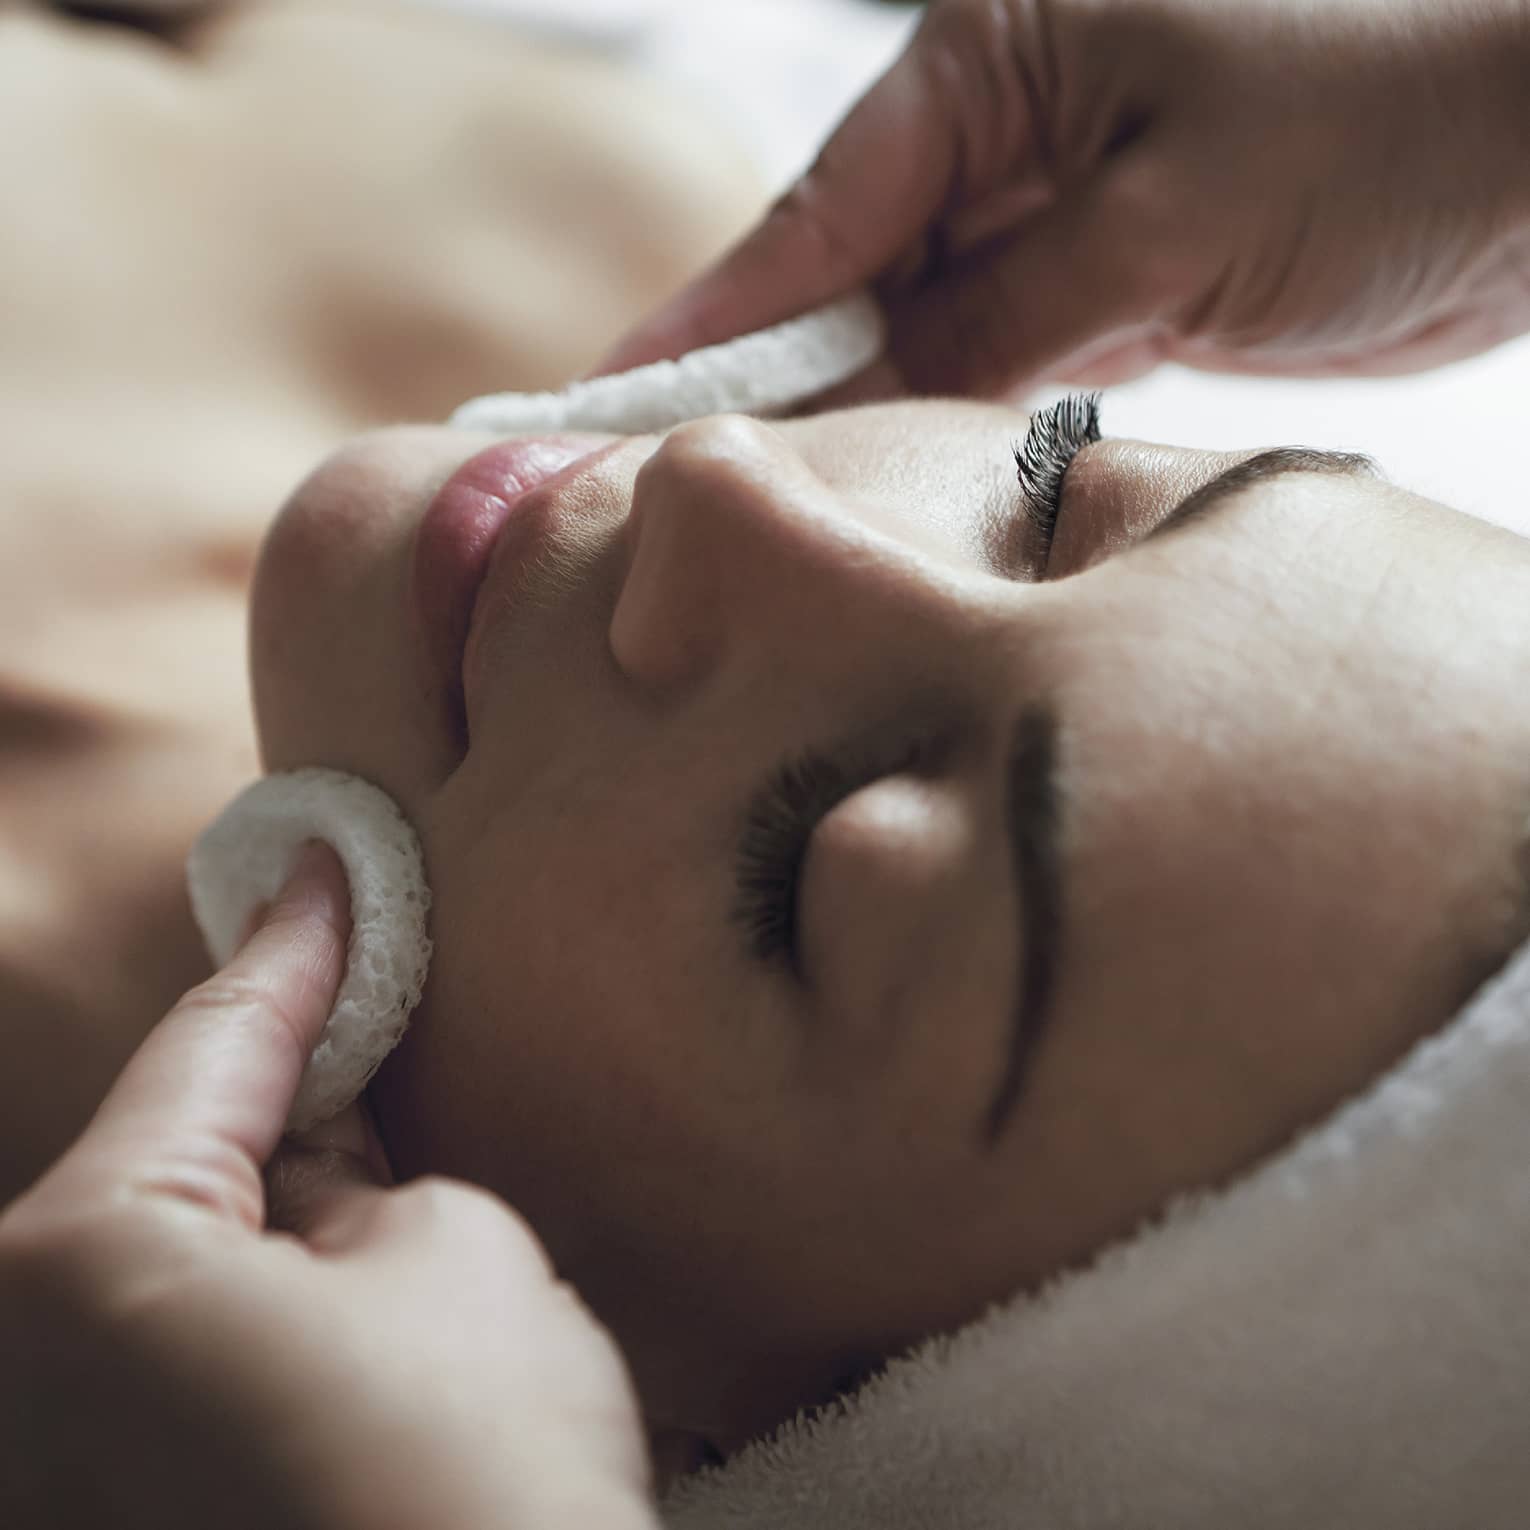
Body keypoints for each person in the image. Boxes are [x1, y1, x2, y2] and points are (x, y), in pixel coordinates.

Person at [4, 0, 1530, 1522]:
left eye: (814, 867)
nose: (726, 488)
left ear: (679, 1442)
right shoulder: (643, 164)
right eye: (1062, 491)